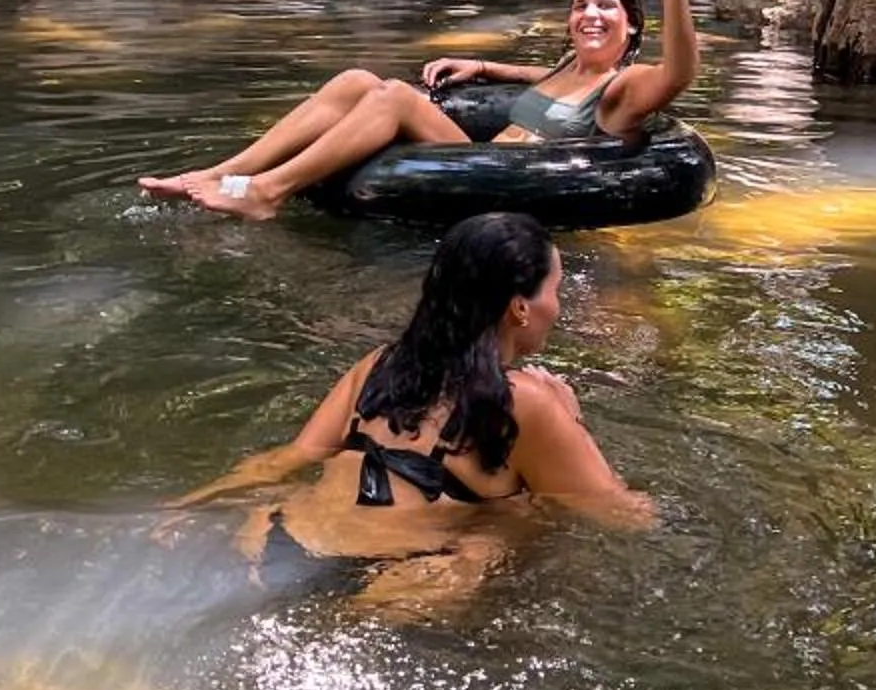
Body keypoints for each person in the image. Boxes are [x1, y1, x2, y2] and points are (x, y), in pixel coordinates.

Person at [140, 0, 719, 222]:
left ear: (632, 24)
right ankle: (224, 171)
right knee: (357, 80)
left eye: (605, 6)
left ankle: (267, 190)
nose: (590, 15)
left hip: (501, 175)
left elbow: (682, 73)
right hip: (485, 156)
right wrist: (486, 66)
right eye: (580, 5)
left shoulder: (624, 89)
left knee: (392, 95)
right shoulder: (573, 65)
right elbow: (541, 84)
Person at [176, 212, 655, 567]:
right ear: (520, 308)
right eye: (556, 289)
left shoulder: (380, 365)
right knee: (497, 537)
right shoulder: (527, 402)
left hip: (276, 539)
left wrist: (182, 508)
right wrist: (570, 418)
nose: (558, 305)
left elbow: (290, 458)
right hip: (397, 579)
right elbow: (624, 517)